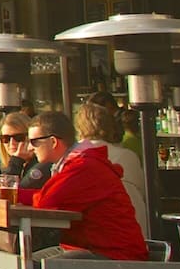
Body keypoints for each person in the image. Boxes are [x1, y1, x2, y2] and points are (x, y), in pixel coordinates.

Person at [20, 111, 147, 261]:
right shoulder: (76, 162)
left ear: (53, 142)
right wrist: (11, 194)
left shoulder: (83, 165)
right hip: (87, 248)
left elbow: (46, 201)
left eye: (34, 141)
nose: (29, 148)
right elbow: (45, 195)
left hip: (114, 255)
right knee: (24, 266)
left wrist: (13, 195)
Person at [75, 100, 149, 234]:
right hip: (135, 231)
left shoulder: (72, 157)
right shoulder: (127, 156)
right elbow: (143, 192)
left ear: (79, 128)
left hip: (96, 237)